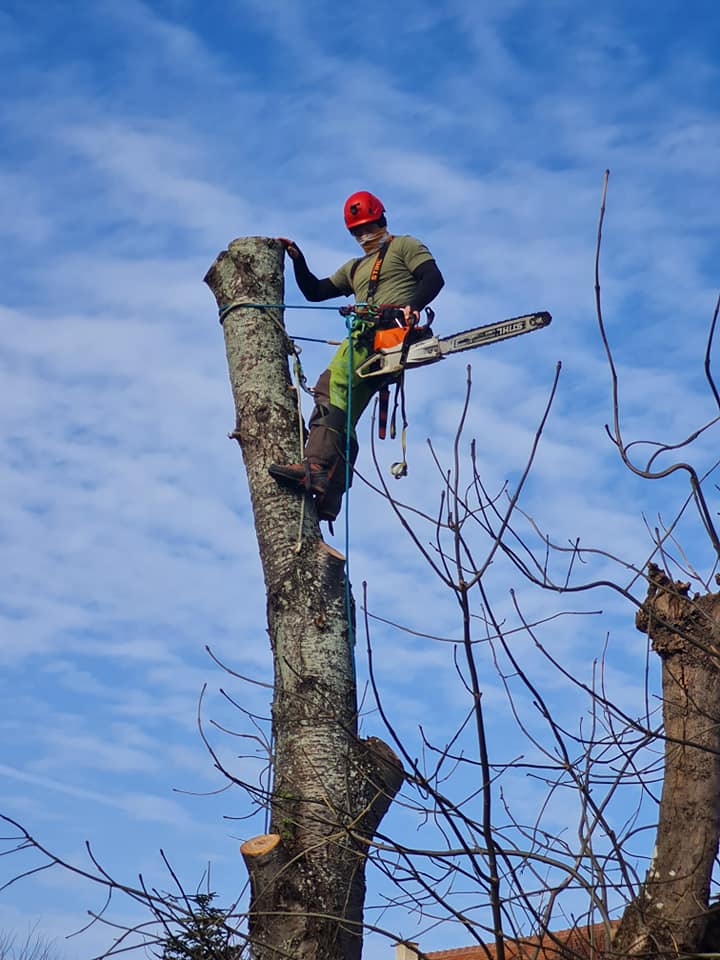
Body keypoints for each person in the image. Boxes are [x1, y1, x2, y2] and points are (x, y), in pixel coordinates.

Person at [269, 190, 444, 522]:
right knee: (343, 411)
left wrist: (412, 308)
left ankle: (317, 466)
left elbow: (433, 278)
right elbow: (316, 291)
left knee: (330, 387)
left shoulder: (405, 246)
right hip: (369, 341)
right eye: (358, 231)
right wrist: (298, 260)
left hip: (383, 336)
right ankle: (330, 494)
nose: (364, 235)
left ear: (382, 220)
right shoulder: (355, 268)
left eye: (369, 227)